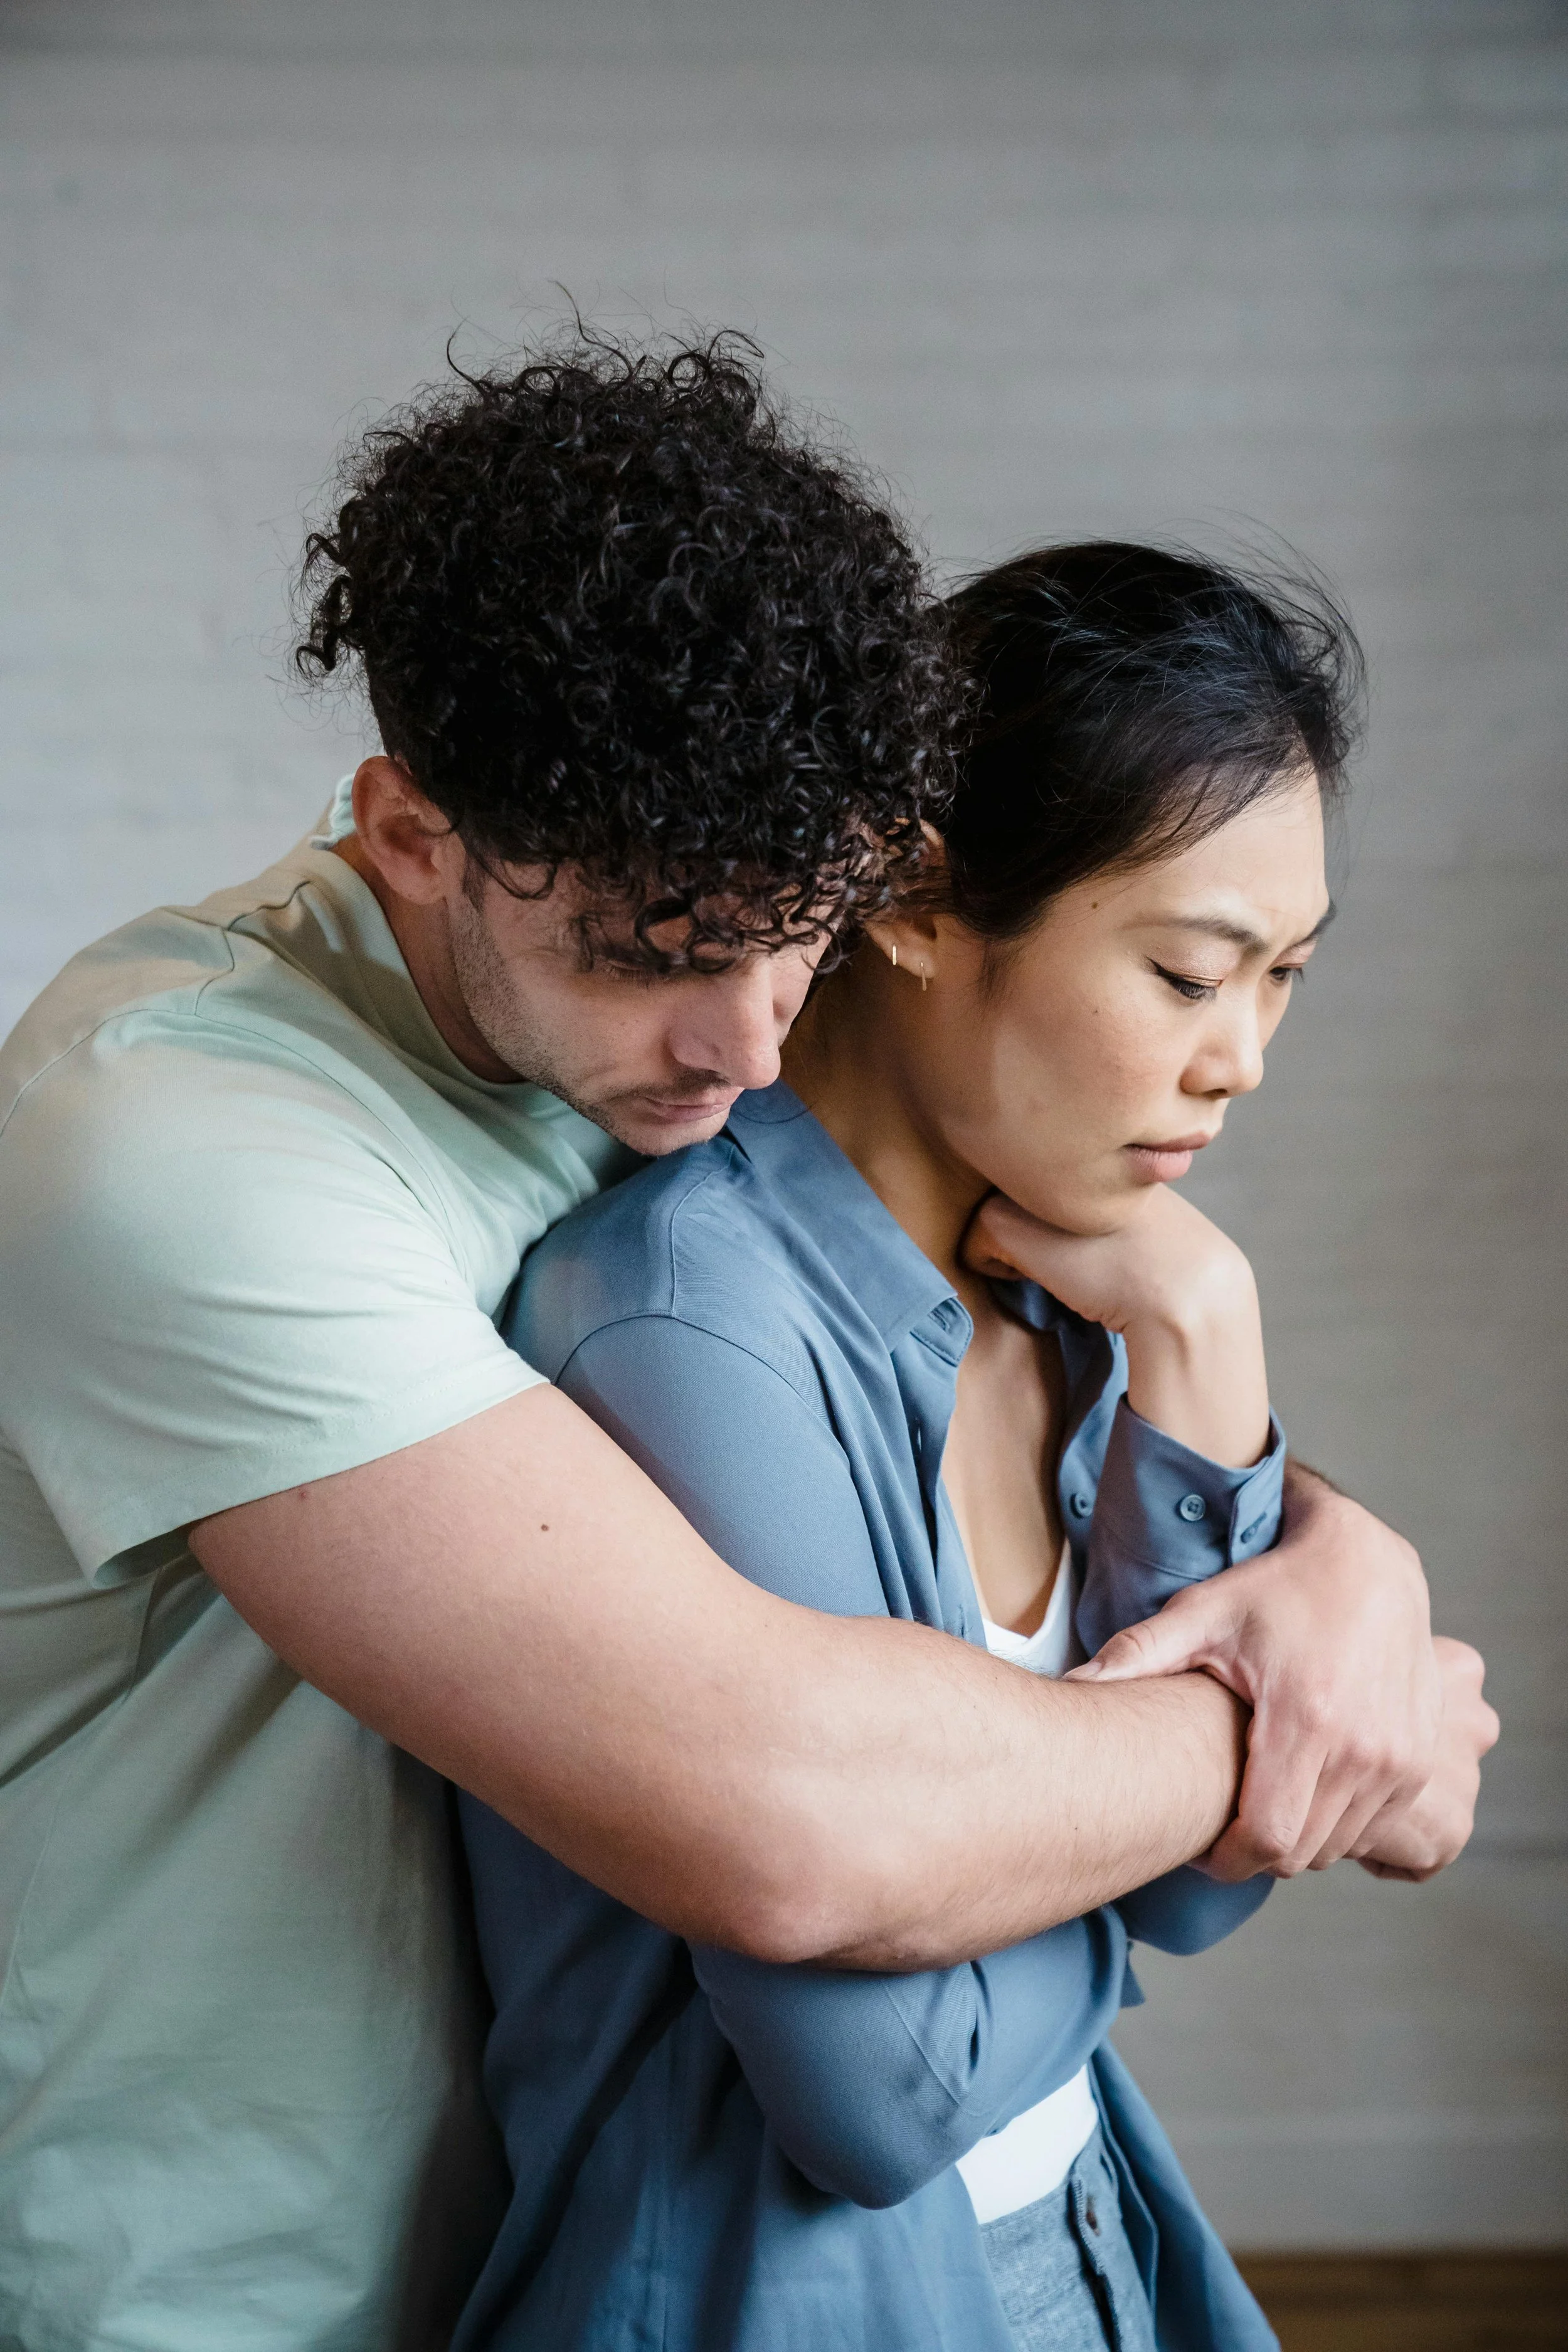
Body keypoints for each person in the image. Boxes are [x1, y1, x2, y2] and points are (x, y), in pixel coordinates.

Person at [0, 334, 1460, 2349]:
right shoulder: (180, 1149)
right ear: (405, 830)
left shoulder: (643, 1065)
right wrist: (1301, 1731)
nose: (748, 1044)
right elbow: (794, 1826)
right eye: (653, 955)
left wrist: (1336, 1551)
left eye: (794, 930)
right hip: (199, 2278)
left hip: (519, 2237)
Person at [455, 545, 1498, 2352]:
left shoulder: (1090, 1289)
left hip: (1079, 2247)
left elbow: (1187, 1892)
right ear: (919, 900)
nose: (1238, 1056)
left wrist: (1204, 1341)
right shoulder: (681, 1317)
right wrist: (1273, 1739)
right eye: (1188, 972)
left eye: (1284, 980)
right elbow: (874, 2089)